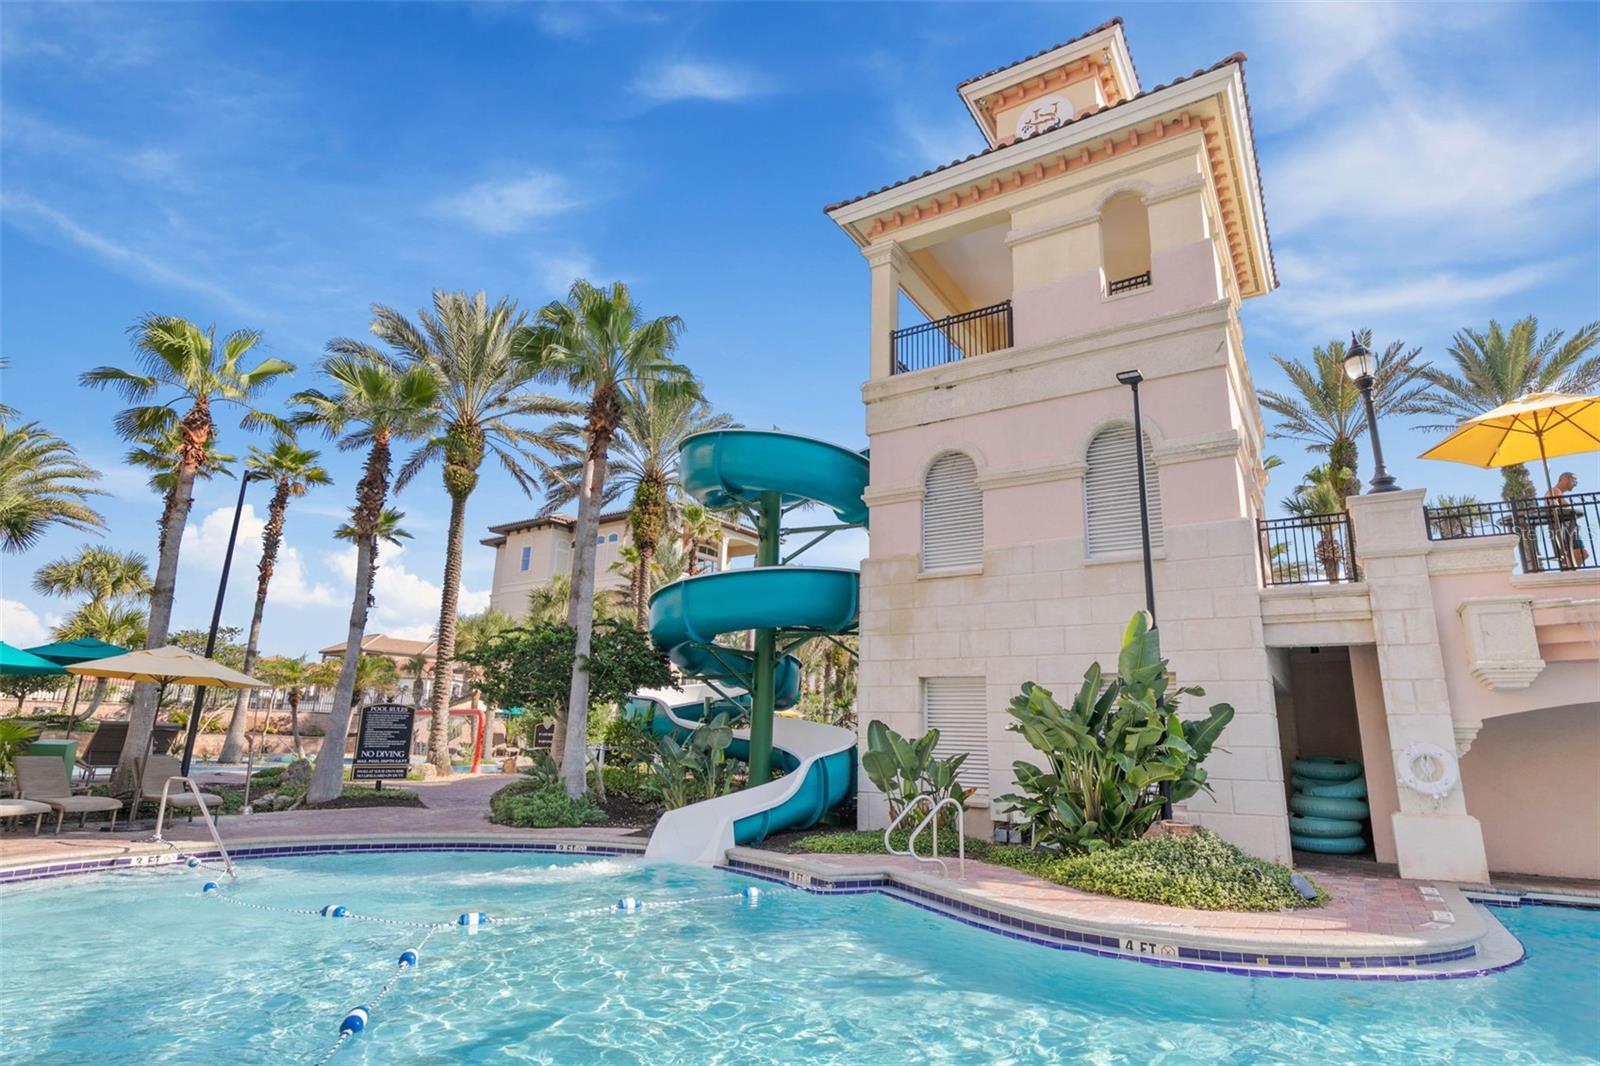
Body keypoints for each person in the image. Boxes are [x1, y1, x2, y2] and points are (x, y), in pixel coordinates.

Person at [1544, 471, 1588, 569]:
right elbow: (1553, 507)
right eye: (1574, 481)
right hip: (1563, 527)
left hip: (1566, 526)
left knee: (1574, 554)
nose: (1575, 485)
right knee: (1580, 553)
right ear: (1564, 479)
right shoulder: (1555, 491)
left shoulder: (1557, 492)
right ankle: (1570, 571)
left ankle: (1570, 571)